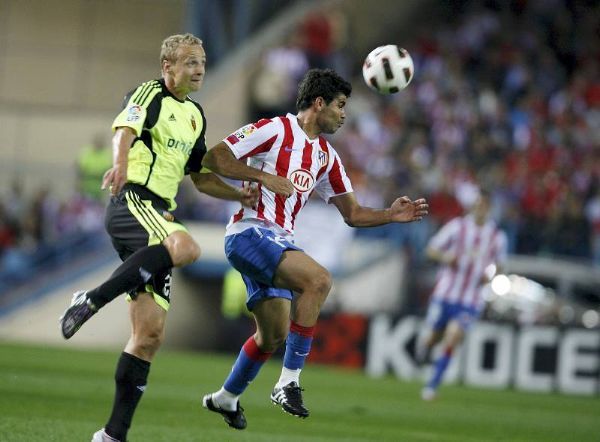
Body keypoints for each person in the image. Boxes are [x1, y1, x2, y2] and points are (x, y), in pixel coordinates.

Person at [200, 68, 429, 430]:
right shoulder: (273, 129)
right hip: (248, 233)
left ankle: (226, 397)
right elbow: (213, 159)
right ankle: (288, 382)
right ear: (318, 103)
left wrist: (389, 214)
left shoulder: (326, 157)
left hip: (278, 241)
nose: (343, 113)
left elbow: (352, 214)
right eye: (340, 105)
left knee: (271, 335)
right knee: (318, 279)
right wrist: (262, 176)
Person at [58, 33, 258, 442]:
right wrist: (119, 164)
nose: (198, 69)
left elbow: (201, 178)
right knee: (187, 247)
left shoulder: (196, 115)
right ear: (167, 67)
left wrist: (238, 193)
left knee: (149, 335)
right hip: (133, 201)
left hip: (158, 217)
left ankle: (112, 435)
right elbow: (124, 130)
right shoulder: (149, 93)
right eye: (189, 62)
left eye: (201, 62)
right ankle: (92, 298)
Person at [415, 189, 508, 401]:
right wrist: (447, 257)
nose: (480, 209)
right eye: (478, 204)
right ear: (474, 206)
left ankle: (431, 386)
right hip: (445, 293)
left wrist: (490, 275)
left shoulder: (497, 237)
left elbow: (500, 267)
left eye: (484, 205)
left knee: (453, 337)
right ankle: (425, 349)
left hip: (471, 299)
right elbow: (431, 249)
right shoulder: (458, 227)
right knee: (432, 339)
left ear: (489, 208)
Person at [76, 133, 113, 201]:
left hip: (102, 191)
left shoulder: (107, 154)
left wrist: (93, 173)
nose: (98, 144)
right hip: (86, 189)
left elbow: (108, 170)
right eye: (97, 142)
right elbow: (80, 169)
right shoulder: (86, 153)